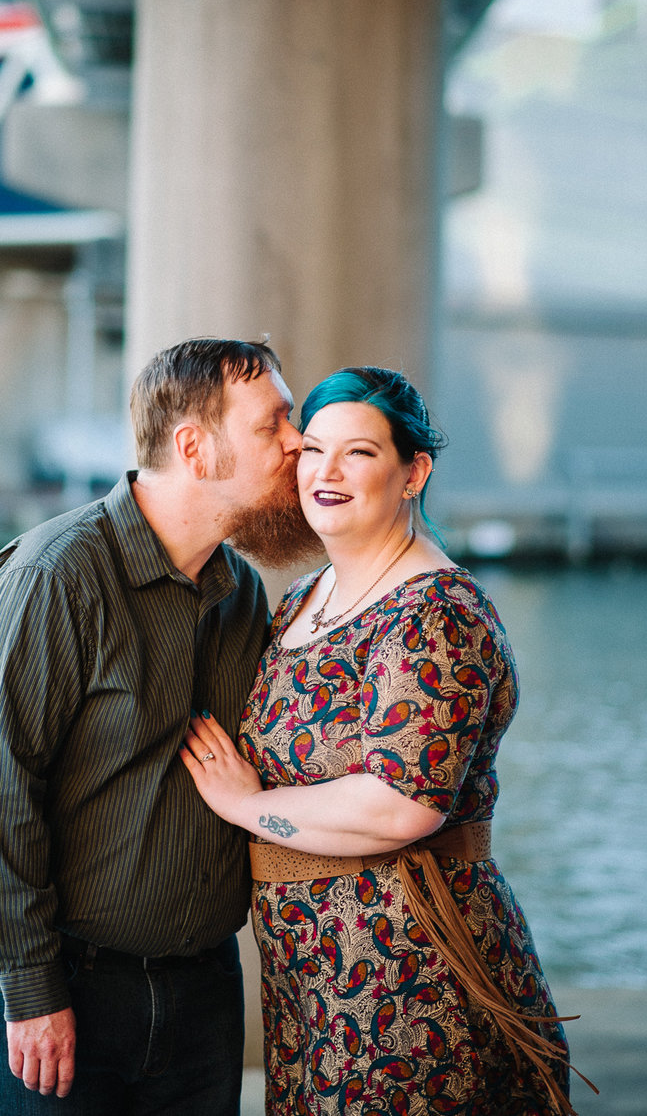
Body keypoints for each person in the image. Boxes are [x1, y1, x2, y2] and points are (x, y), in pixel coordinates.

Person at [0, 336, 322, 1116]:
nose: (297, 441)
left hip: (201, 999)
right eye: (272, 423)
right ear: (193, 446)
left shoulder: (242, 592)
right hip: (58, 988)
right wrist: (34, 991)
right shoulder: (56, 576)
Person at [182, 366, 581, 1116]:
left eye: (359, 453)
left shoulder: (435, 612)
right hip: (316, 984)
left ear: (412, 472)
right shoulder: (307, 596)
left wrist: (248, 807)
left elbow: (404, 806)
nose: (325, 472)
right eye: (313, 449)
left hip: (411, 978)